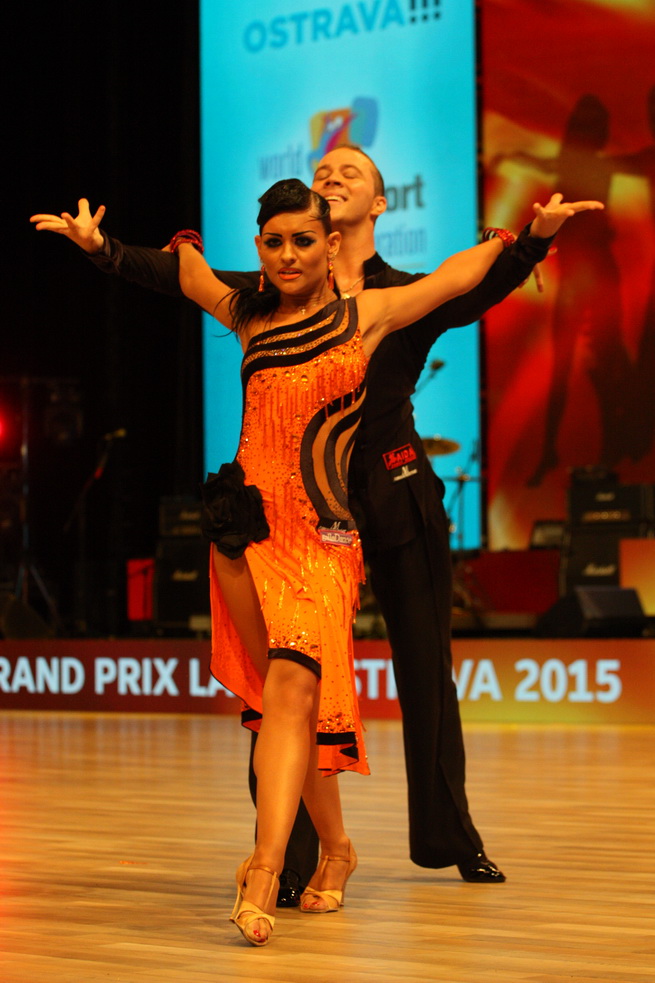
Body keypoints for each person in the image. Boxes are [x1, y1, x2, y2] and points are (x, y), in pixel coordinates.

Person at [30, 156, 601, 909]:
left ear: (341, 232)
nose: (289, 251)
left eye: (305, 237)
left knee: (362, 680)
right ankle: (319, 850)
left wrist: (523, 239)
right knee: (282, 696)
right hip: (255, 531)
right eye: (276, 241)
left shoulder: (376, 305)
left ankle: (298, 868)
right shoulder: (256, 304)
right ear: (266, 244)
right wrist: (102, 249)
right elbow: (184, 275)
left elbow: (458, 282)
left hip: (355, 517)